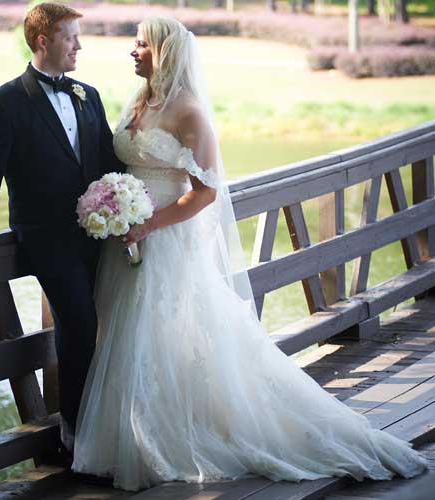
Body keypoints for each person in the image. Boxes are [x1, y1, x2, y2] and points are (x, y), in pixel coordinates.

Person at [72, 16, 427, 492]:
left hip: (165, 239)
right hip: (126, 242)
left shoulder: (188, 112)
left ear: (163, 51)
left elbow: (206, 192)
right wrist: (112, 206)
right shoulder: (138, 100)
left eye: (139, 45)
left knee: (157, 331)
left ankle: (171, 440)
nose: (131, 52)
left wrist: (149, 223)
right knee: (128, 334)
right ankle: (133, 439)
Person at [0, 3, 124, 455]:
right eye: (70, 37)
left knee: (115, 327)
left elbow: (107, 164)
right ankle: (76, 439)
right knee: (79, 324)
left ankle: (107, 432)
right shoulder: (3, 103)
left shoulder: (89, 94)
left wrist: (138, 208)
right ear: (43, 41)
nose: (79, 45)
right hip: (45, 238)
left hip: (100, 237)